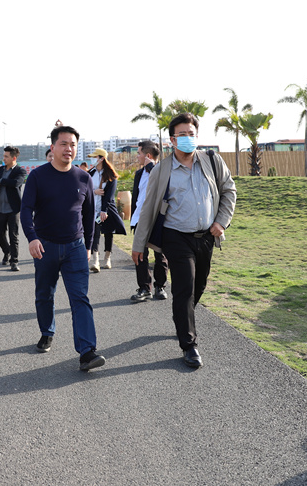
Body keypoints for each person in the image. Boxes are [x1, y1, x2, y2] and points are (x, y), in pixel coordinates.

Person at [131, 113, 236, 368]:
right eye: (182, 135)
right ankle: (189, 345)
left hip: (206, 236)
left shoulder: (212, 160)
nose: (188, 138)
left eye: (191, 134)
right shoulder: (162, 170)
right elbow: (148, 208)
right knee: (184, 287)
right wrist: (138, 244)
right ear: (172, 140)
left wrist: (221, 222)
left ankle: (182, 317)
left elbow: (228, 190)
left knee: (199, 285)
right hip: (176, 236)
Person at [21, 124, 106, 371]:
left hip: (75, 247)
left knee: (80, 298)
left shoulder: (83, 178)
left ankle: (87, 352)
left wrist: (88, 246)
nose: (69, 149)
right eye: (64, 144)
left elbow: (88, 215)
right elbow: (26, 210)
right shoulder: (38, 176)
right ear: (53, 147)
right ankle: (47, 331)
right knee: (44, 294)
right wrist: (32, 238)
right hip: (44, 246)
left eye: (73, 145)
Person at [130, 140, 168, 302]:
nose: (137, 156)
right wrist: (133, 218)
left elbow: (165, 187)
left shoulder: (163, 170)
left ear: (148, 156)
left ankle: (160, 286)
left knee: (160, 255)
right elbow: (137, 198)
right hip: (140, 219)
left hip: (158, 219)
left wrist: (151, 167)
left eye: (139, 153)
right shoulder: (139, 174)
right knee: (140, 255)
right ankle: (145, 288)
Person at [0, 145, 26, 272]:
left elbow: (16, 183)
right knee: (0, 235)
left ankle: (14, 261)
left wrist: (1, 181)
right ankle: (7, 251)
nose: (3, 158)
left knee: (13, 235)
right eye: (3, 156)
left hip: (13, 209)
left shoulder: (20, 171)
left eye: (6, 156)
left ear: (14, 158)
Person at [89, 149, 126, 271]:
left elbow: (109, 196)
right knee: (95, 233)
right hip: (94, 209)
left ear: (102, 159)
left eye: (95, 157)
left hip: (107, 209)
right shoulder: (90, 174)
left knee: (108, 232)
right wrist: (94, 191)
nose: (92, 159)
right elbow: (84, 189)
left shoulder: (111, 175)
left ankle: (107, 258)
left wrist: (104, 210)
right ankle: (95, 260)